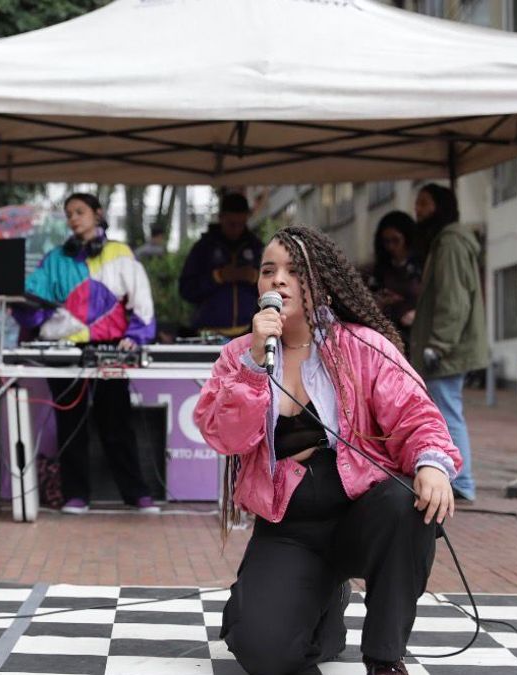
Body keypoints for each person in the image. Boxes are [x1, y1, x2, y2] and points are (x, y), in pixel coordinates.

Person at [194, 225, 461, 675]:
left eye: (294, 271)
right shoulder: (239, 356)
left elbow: (418, 415)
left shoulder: (362, 347)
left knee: (408, 503)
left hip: (361, 515)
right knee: (263, 651)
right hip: (290, 528)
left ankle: (384, 656)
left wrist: (432, 465)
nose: (278, 280)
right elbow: (225, 436)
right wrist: (255, 366)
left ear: (322, 284)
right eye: (267, 270)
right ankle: (324, 603)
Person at [12, 193, 158, 514]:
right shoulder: (55, 259)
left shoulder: (120, 254)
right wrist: (19, 302)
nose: (74, 218)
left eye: (79, 211)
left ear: (97, 213)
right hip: (64, 352)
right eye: (69, 214)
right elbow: (30, 303)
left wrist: (135, 336)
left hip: (109, 350)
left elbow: (143, 305)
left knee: (116, 423)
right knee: (70, 423)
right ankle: (75, 495)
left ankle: (137, 495)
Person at [410, 183, 488, 504]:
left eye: (424, 203)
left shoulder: (451, 243)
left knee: (447, 412)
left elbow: (454, 300)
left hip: (447, 349)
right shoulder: (447, 241)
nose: (418, 210)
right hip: (450, 347)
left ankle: (462, 481)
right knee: (446, 410)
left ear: (440, 206)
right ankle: (460, 479)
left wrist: (439, 344)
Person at [179, 192, 263, 336]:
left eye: (241, 224)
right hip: (209, 333)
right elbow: (186, 290)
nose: (236, 229)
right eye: (231, 224)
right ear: (221, 218)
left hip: (248, 333)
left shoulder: (256, 247)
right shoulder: (204, 248)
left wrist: (255, 277)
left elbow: (274, 289)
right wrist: (218, 277)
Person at [369, 210, 422, 352]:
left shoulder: (421, 265)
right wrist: (380, 301)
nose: (391, 247)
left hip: (419, 336)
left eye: (396, 240)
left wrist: (419, 313)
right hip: (391, 337)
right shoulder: (381, 269)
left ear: (407, 238)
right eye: (386, 242)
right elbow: (370, 299)